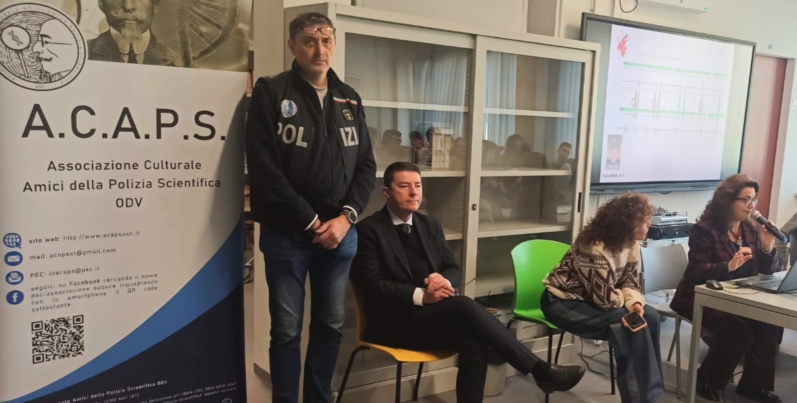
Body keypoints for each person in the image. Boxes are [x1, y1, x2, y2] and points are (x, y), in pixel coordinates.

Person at [351, 162, 586, 403]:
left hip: (430, 318)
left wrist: (443, 279)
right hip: (391, 322)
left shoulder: (430, 225)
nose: (414, 193)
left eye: (418, 186)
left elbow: (453, 268)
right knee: (463, 305)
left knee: (475, 341)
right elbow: (373, 286)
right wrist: (423, 296)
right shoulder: (368, 230)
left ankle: (538, 372)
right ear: (387, 192)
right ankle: (540, 370)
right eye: (404, 186)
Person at [245, 12, 376, 403]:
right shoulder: (271, 92)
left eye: (326, 40)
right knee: (286, 330)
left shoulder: (349, 98)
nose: (320, 49)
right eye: (309, 40)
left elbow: (366, 166)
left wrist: (346, 219)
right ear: (292, 46)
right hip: (287, 234)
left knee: (330, 326)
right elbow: (265, 170)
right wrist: (314, 221)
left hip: (340, 234)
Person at [542, 193, 665, 403]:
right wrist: (625, 300)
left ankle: (653, 393)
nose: (649, 224)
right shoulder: (594, 248)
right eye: (644, 221)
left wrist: (634, 303)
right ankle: (642, 399)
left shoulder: (631, 244)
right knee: (628, 325)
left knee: (650, 316)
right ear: (627, 225)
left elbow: (630, 282)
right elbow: (606, 301)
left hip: (594, 300)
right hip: (562, 303)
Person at [670, 174, 781, 403]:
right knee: (738, 331)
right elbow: (695, 272)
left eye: (754, 199)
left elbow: (768, 271)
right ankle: (707, 379)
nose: (752, 206)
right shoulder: (704, 230)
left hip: (740, 297)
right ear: (728, 200)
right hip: (700, 297)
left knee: (769, 322)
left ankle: (753, 386)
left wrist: (767, 245)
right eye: (746, 199)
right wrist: (728, 267)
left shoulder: (751, 229)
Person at [88, 0, 175, 65]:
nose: (128, 6)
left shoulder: (177, 61)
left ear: (155, 3)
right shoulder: (85, 53)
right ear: (101, 3)